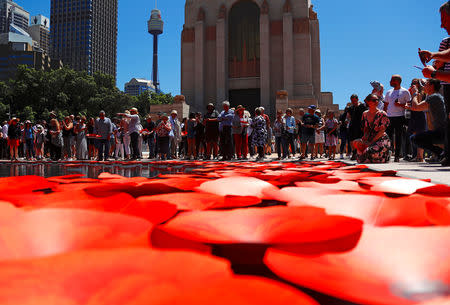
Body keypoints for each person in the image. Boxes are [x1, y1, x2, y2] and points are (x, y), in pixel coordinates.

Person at [409, 79, 447, 163]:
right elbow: (417, 107)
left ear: (431, 86)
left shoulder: (434, 97)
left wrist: (415, 94)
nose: (423, 87)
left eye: (425, 84)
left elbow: (416, 107)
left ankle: (441, 153)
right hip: (441, 131)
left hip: (443, 131)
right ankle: (442, 153)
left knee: (415, 138)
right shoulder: (434, 97)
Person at [353, 94, 391, 164]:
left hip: (381, 139)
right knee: (360, 153)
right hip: (370, 138)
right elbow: (366, 129)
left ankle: (385, 154)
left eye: (377, 100)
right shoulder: (364, 114)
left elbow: (382, 131)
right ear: (368, 102)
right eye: (374, 100)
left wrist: (371, 142)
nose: (376, 101)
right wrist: (364, 141)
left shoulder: (382, 114)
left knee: (370, 152)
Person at [384, 75, 411, 162]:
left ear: (397, 81)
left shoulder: (405, 91)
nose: (390, 82)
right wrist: (385, 115)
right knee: (388, 137)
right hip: (389, 117)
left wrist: (400, 105)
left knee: (398, 137)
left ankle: (397, 156)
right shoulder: (388, 92)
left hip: (400, 117)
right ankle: (387, 154)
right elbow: (385, 105)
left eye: (391, 80)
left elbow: (409, 105)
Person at [406, 79, 427, 162]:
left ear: (419, 84)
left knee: (419, 135)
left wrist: (409, 107)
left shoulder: (420, 93)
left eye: (415, 83)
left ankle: (420, 156)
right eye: (412, 83)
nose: (412, 85)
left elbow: (418, 106)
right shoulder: (413, 94)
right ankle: (416, 155)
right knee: (414, 136)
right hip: (413, 115)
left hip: (420, 115)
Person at [346, 94, 367, 160]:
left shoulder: (362, 106)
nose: (353, 102)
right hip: (352, 126)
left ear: (357, 99)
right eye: (352, 101)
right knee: (351, 140)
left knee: (360, 140)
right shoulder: (350, 108)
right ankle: (354, 152)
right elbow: (348, 116)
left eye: (354, 100)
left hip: (360, 126)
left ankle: (361, 153)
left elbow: (366, 114)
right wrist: (347, 120)